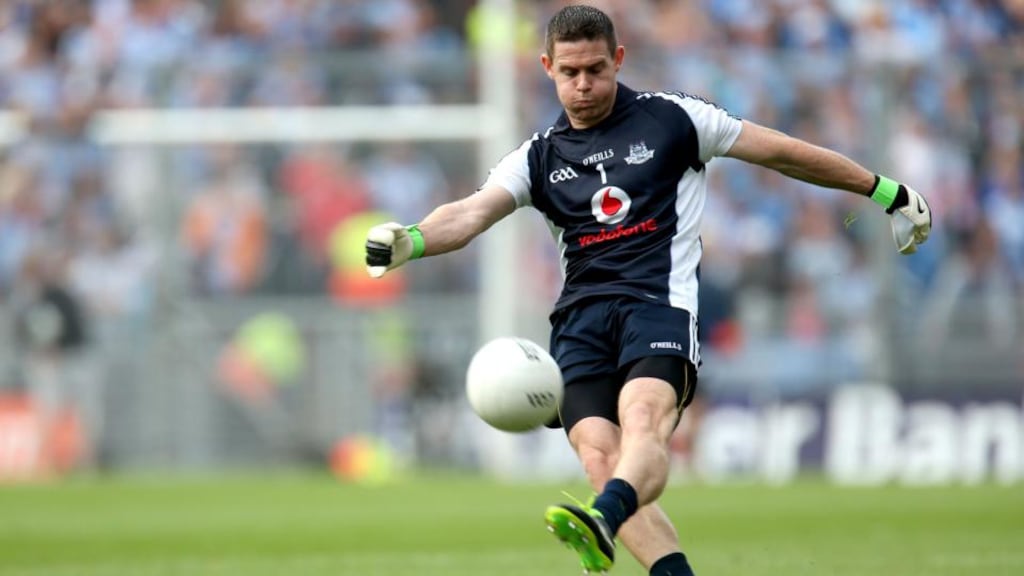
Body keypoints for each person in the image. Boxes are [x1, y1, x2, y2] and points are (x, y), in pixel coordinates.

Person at [364, 5, 931, 575]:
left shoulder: (676, 121)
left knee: (643, 421)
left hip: (657, 308)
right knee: (599, 458)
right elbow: (469, 214)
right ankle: (630, 534)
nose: (583, 84)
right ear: (547, 68)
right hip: (579, 323)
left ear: (618, 59)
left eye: (595, 69)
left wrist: (884, 191)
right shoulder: (538, 157)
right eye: (569, 73)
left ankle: (604, 518)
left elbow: (781, 152)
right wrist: (411, 239)